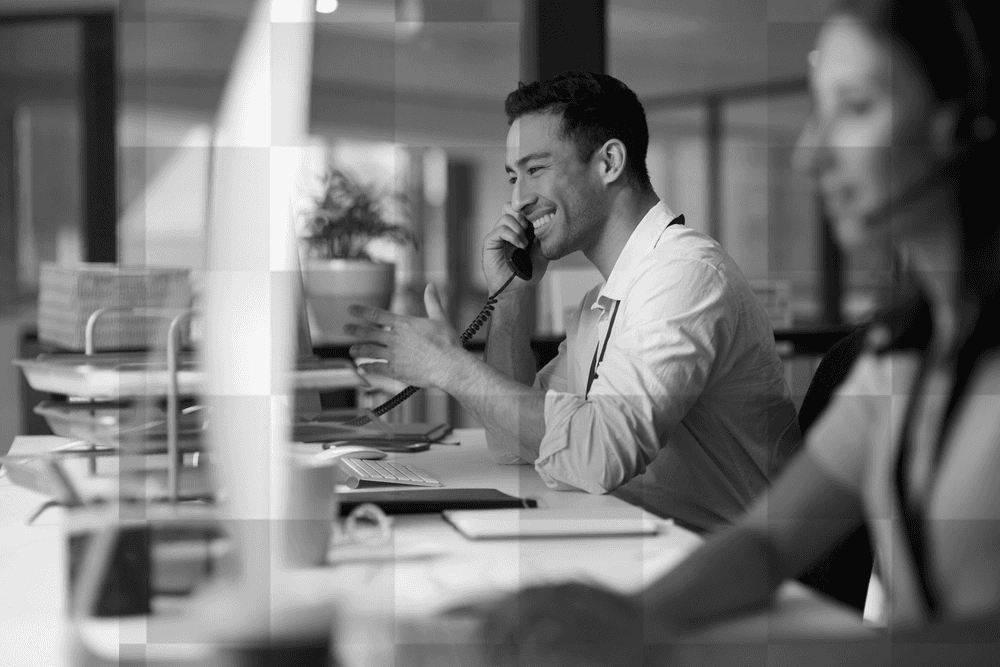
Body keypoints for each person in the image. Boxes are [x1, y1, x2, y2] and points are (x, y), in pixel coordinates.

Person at [475, 0, 1000, 664]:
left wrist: (686, 649)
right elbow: (768, 540)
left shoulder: (686, 273)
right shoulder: (905, 354)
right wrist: (627, 620)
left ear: (969, 125)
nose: (810, 154)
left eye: (857, 107)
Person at [345, 71, 801, 532]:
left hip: (732, 558)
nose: (518, 200)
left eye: (535, 170)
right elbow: (515, 442)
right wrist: (511, 297)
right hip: (653, 538)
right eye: (512, 177)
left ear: (609, 163)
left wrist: (451, 367)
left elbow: (600, 453)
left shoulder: (684, 275)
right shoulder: (601, 303)